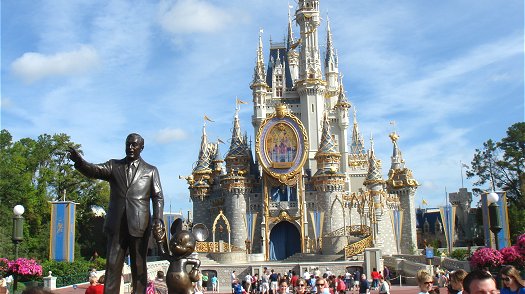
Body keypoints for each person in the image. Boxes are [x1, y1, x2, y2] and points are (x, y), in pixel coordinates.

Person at [69, 133, 165, 294]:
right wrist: (80, 162)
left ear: (142, 147)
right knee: (112, 266)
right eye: (128, 144)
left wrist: (158, 220)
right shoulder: (114, 166)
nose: (130, 147)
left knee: (139, 267)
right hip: (117, 225)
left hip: (140, 225)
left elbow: (158, 197)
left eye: (134, 145)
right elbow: (95, 170)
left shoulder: (150, 170)